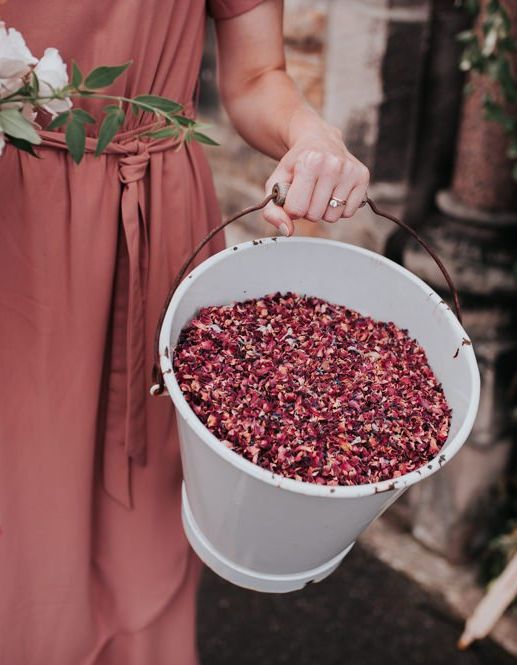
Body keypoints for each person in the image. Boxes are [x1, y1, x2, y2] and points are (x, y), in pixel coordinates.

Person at [0, 1, 369, 663]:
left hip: (157, 221)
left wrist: (308, 133)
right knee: (20, 509)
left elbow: (257, 79)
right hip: (17, 239)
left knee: (145, 510)